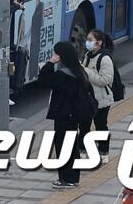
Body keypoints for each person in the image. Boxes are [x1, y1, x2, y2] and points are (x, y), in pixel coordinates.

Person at [36, 41, 91, 189]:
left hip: (64, 115)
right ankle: (71, 178)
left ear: (61, 56)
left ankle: (67, 178)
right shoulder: (78, 70)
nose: (54, 56)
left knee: (63, 146)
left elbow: (43, 81)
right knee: (71, 145)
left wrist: (49, 63)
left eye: (56, 54)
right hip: (74, 115)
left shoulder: (63, 75)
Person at [81, 29, 116, 163]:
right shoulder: (88, 55)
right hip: (87, 98)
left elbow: (104, 80)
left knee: (101, 125)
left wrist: (86, 71)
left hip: (102, 99)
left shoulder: (105, 58)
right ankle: (82, 150)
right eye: (87, 40)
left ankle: (103, 152)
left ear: (99, 42)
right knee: (84, 125)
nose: (87, 43)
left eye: (90, 40)